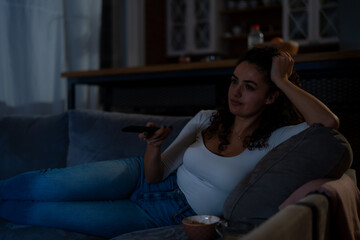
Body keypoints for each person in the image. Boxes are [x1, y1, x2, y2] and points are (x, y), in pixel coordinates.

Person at [0, 47, 339, 238]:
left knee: (46, 213)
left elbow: (328, 125)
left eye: (250, 86)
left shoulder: (280, 139)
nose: (236, 92)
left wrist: (282, 78)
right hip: (136, 176)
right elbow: (154, 174)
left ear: (271, 97)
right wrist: (153, 147)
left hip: (162, 214)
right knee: (43, 185)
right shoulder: (207, 118)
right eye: (234, 81)